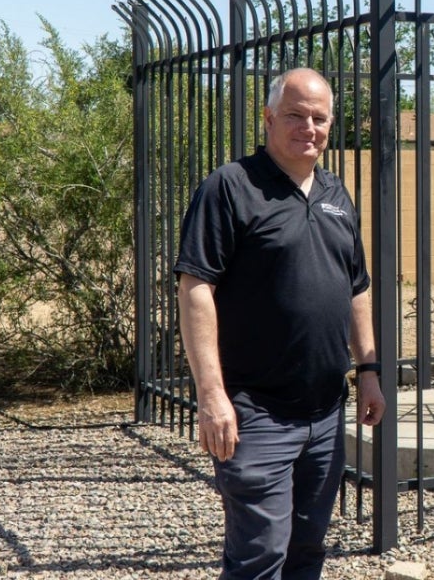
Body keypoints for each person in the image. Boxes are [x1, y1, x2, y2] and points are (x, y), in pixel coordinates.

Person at [173, 67, 386, 580]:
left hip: (326, 409)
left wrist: (370, 371)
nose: (307, 127)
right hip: (255, 410)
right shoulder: (230, 187)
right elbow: (195, 289)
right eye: (295, 115)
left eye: (319, 118)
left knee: (306, 551)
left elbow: (356, 287)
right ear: (268, 118)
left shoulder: (336, 194)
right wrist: (211, 394)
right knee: (259, 556)